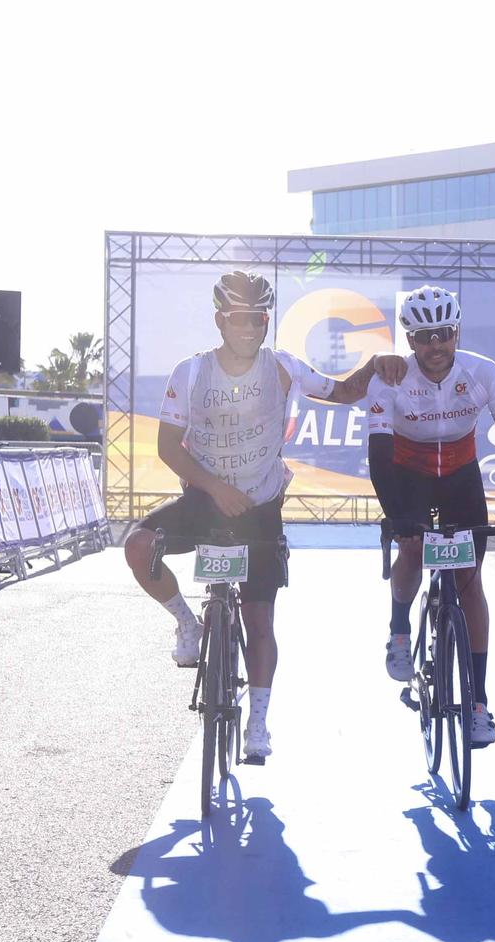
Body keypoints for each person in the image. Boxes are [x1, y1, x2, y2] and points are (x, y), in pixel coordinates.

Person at [122, 270, 377, 762]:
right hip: (204, 500)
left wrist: (380, 365)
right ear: (221, 319)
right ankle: (187, 625)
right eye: (239, 319)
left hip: (260, 508)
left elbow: (344, 393)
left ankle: (257, 724)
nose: (250, 328)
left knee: (259, 620)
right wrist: (214, 487)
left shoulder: (283, 367)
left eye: (259, 319)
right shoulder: (191, 372)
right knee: (137, 546)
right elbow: (168, 446)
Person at [366, 285, 495, 748]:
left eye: (443, 334)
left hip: (460, 476)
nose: (435, 346)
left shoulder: (483, 372)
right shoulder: (390, 379)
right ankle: (399, 630)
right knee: (413, 549)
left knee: (470, 582)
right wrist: (398, 519)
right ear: (410, 340)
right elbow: (378, 459)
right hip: (406, 473)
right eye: (423, 337)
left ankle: (478, 704)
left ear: (457, 332)